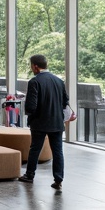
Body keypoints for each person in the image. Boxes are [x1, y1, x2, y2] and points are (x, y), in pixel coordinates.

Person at [19, 54, 69, 190]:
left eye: (31, 66)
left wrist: (29, 112)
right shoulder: (59, 81)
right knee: (58, 151)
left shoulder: (34, 81)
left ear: (35, 66)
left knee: (35, 149)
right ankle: (58, 180)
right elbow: (65, 101)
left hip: (40, 122)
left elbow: (31, 106)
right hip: (57, 122)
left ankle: (29, 175)